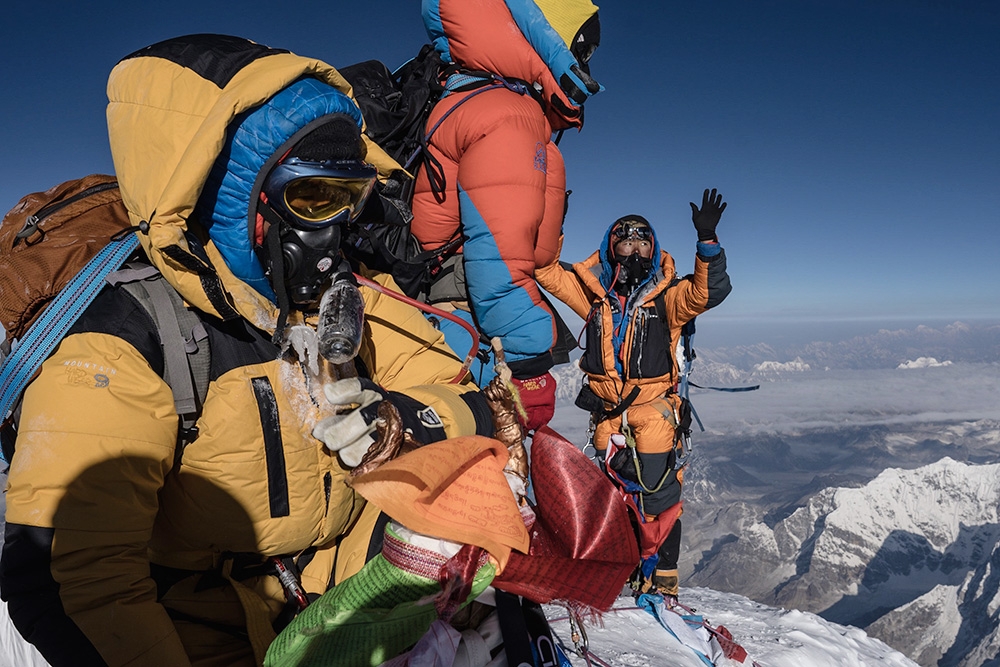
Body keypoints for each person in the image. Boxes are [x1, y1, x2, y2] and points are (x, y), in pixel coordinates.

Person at [0, 34, 522, 667]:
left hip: (347, 592)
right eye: (312, 198)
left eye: (348, 198)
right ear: (231, 198)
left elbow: (473, 396)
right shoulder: (124, 346)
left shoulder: (347, 298)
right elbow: (71, 580)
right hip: (205, 630)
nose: (335, 232)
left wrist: (403, 419)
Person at [410, 0, 604, 432]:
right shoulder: (509, 114)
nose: (585, 64)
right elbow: (500, 265)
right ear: (548, 38)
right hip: (470, 322)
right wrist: (529, 367)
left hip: (446, 311)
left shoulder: (471, 96)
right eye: (581, 49)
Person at [535, 189, 733, 600]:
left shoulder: (669, 298)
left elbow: (707, 292)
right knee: (613, 495)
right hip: (608, 414)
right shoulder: (594, 295)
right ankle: (625, 566)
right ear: (612, 246)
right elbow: (546, 269)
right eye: (626, 241)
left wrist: (707, 241)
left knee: (660, 497)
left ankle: (664, 575)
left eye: (644, 242)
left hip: (654, 413)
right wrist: (554, 220)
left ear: (654, 247)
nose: (636, 250)